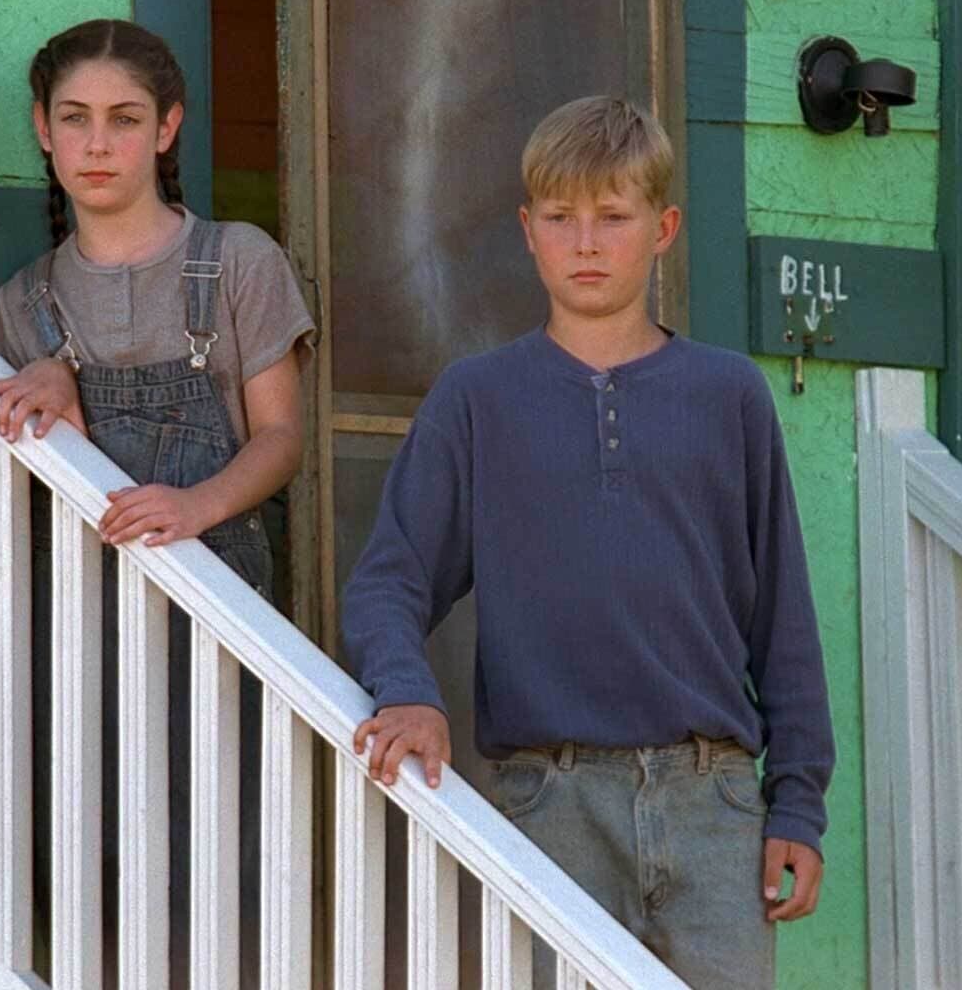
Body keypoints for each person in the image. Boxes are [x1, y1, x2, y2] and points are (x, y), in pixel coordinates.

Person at [341, 95, 834, 988]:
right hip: (548, 803)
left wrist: (797, 801)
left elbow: (784, 621)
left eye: (613, 216)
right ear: (528, 231)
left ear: (663, 229)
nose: (587, 243)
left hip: (716, 804)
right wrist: (407, 690)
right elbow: (390, 579)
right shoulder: (477, 400)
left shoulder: (730, 396)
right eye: (561, 217)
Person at [0, 18, 314, 984]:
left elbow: (282, 439)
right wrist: (53, 389)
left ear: (167, 128)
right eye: (75, 118)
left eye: (124, 119)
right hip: (77, 637)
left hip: (220, 622)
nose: (97, 143)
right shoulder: (25, 304)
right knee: (86, 888)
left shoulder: (237, 261)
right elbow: (27, 488)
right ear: (42, 129)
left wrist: (196, 509)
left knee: (218, 886)